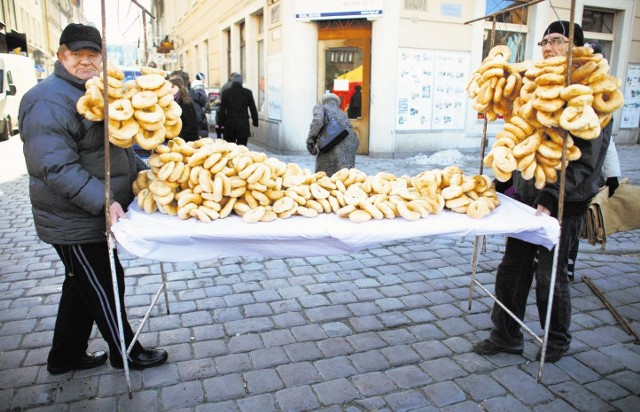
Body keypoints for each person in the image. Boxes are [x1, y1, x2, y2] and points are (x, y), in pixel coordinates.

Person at [18, 23, 168, 374]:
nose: (85, 61)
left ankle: (65, 356)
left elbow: (112, 153)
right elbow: (53, 167)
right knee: (104, 282)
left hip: (93, 213)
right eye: (76, 54)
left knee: (81, 285)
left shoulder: (98, 93)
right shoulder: (46, 99)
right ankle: (126, 352)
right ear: (60, 55)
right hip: (75, 217)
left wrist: (149, 171)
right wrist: (103, 201)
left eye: (93, 54)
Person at [473, 21, 612, 363]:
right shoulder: (535, 87)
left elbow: (587, 160)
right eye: (544, 42)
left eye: (557, 41)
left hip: (566, 200)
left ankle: (557, 339)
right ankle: (505, 334)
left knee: (550, 274)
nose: (548, 48)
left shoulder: (591, 89)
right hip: (526, 196)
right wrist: (506, 182)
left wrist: (551, 196)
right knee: (511, 267)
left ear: (577, 47)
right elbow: (524, 141)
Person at [306, 93, 360, 176]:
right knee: (345, 177)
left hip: (332, 143)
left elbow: (317, 121)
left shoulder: (320, 107)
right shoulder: (342, 113)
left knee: (325, 176)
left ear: (323, 101)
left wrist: (310, 139)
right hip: (350, 145)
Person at [218, 73, 258, 146]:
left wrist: (220, 123)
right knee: (242, 147)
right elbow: (253, 108)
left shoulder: (226, 93)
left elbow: (222, 110)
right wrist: (255, 121)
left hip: (230, 124)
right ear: (241, 82)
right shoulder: (247, 93)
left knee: (230, 148)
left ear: (232, 82)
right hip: (243, 124)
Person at [171, 70, 208, 137]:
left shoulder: (187, 99)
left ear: (181, 85)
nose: (169, 89)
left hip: (186, 139)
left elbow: (194, 122)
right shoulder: (173, 99)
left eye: (172, 86)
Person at [169, 76, 200, 142]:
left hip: (186, 140)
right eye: (169, 87)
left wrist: (179, 137)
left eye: (173, 87)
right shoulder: (170, 101)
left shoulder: (185, 102)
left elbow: (191, 124)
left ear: (181, 87)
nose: (170, 89)